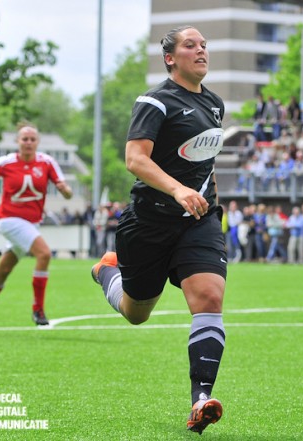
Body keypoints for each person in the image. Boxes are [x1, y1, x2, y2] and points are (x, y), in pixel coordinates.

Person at [89, 26, 226, 435]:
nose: (200, 50)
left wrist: (203, 196)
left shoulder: (216, 104)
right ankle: (106, 272)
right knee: (136, 313)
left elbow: (204, 164)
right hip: (147, 224)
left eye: (203, 44)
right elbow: (135, 158)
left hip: (198, 222)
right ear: (170, 57)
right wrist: (177, 188)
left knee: (209, 297)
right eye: (191, 45)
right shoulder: (155, 101)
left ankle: (201, 400)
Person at [0, 124, 73, 331]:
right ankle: (38, 310)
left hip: (32, 222)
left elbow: (67, 191)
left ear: (37, 142)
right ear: (17, 141)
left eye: (32, 139)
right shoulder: (6, 162)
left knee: (5, 269)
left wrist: (65, 191)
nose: (28, 142)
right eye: (24, 139)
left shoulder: (47, 162)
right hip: (9, 220)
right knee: (44, 254)